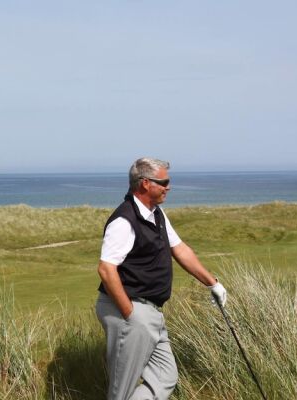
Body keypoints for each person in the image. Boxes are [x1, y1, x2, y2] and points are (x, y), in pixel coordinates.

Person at [96, 157, 227, 400]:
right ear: (145, 183)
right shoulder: (125, 220)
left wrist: (213, 283)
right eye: (164, 181)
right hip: (130, 309)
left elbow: (179, 249)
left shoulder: (156, 213)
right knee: (121, 391)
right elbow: (106, 269)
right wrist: (130, 314)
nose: (169, 186)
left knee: (166, 378)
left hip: (152, 311)